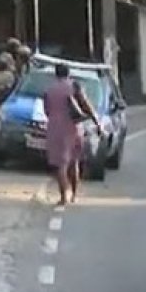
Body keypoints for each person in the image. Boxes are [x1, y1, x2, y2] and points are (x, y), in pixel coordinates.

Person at [43, 63, 100, 206]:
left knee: (60, 165)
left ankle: (63, 197)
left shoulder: (48, 90)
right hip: (74, 128)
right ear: (68, 74)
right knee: (74, 163)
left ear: (56, 74)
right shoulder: (75, 86)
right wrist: (97, 122)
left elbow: (47, 110)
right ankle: (74, 194)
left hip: (55, 128)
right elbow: (85, 105)